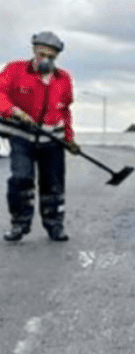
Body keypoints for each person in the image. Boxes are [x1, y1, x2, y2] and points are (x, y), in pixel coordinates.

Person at [0, 31, 79, 242]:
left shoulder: (63, 79)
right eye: (41, 54)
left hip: (52, 141)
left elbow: (65, 110)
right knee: (21, 179)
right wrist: (14, 111)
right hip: (22, 138)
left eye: (51, 57)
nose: (45, 59)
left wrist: (69, 138)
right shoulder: (15, 70)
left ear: (57, 57)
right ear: (34, 51)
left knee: (53, 184)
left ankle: (55, 226)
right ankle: (19, 224)